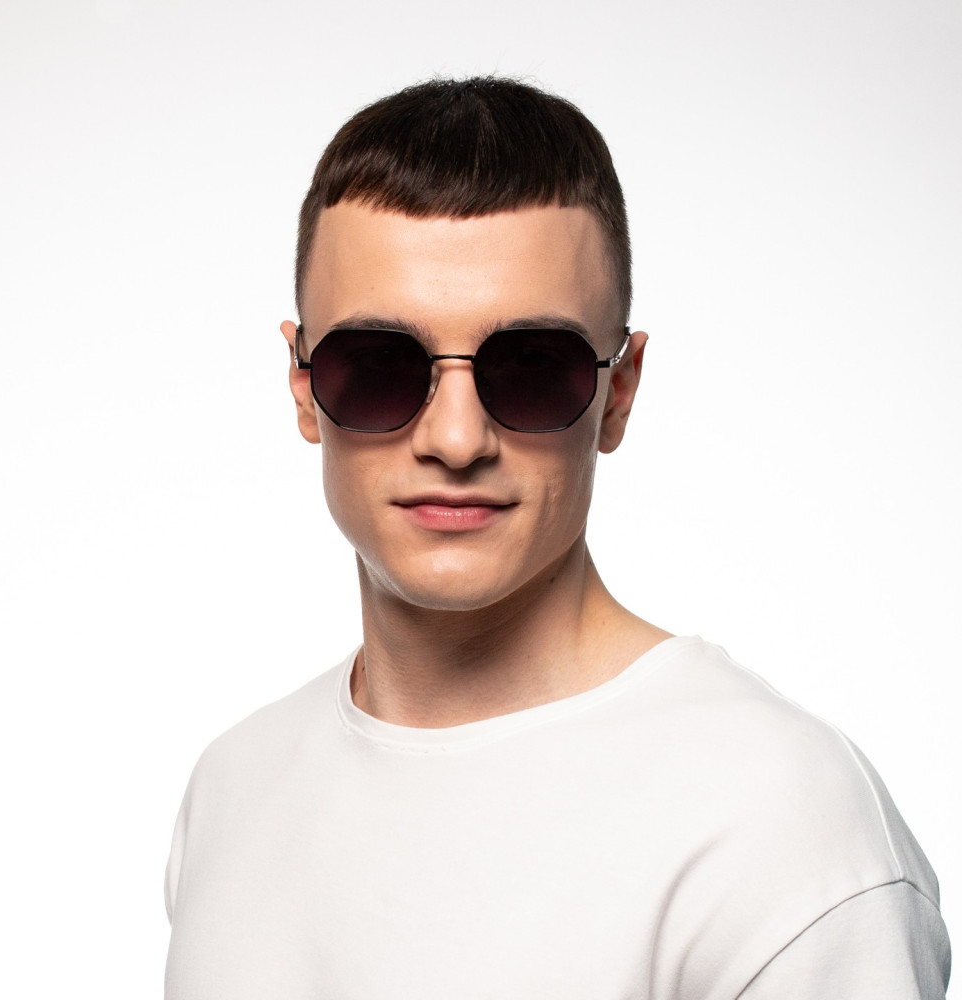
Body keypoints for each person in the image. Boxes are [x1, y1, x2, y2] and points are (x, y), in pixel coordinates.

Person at [163, 77, 950, 998]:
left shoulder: (779, 832)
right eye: (377, 365)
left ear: (618, 392)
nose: (456, 439)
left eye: (534, 367)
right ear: (303, 385)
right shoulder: (234, 789)